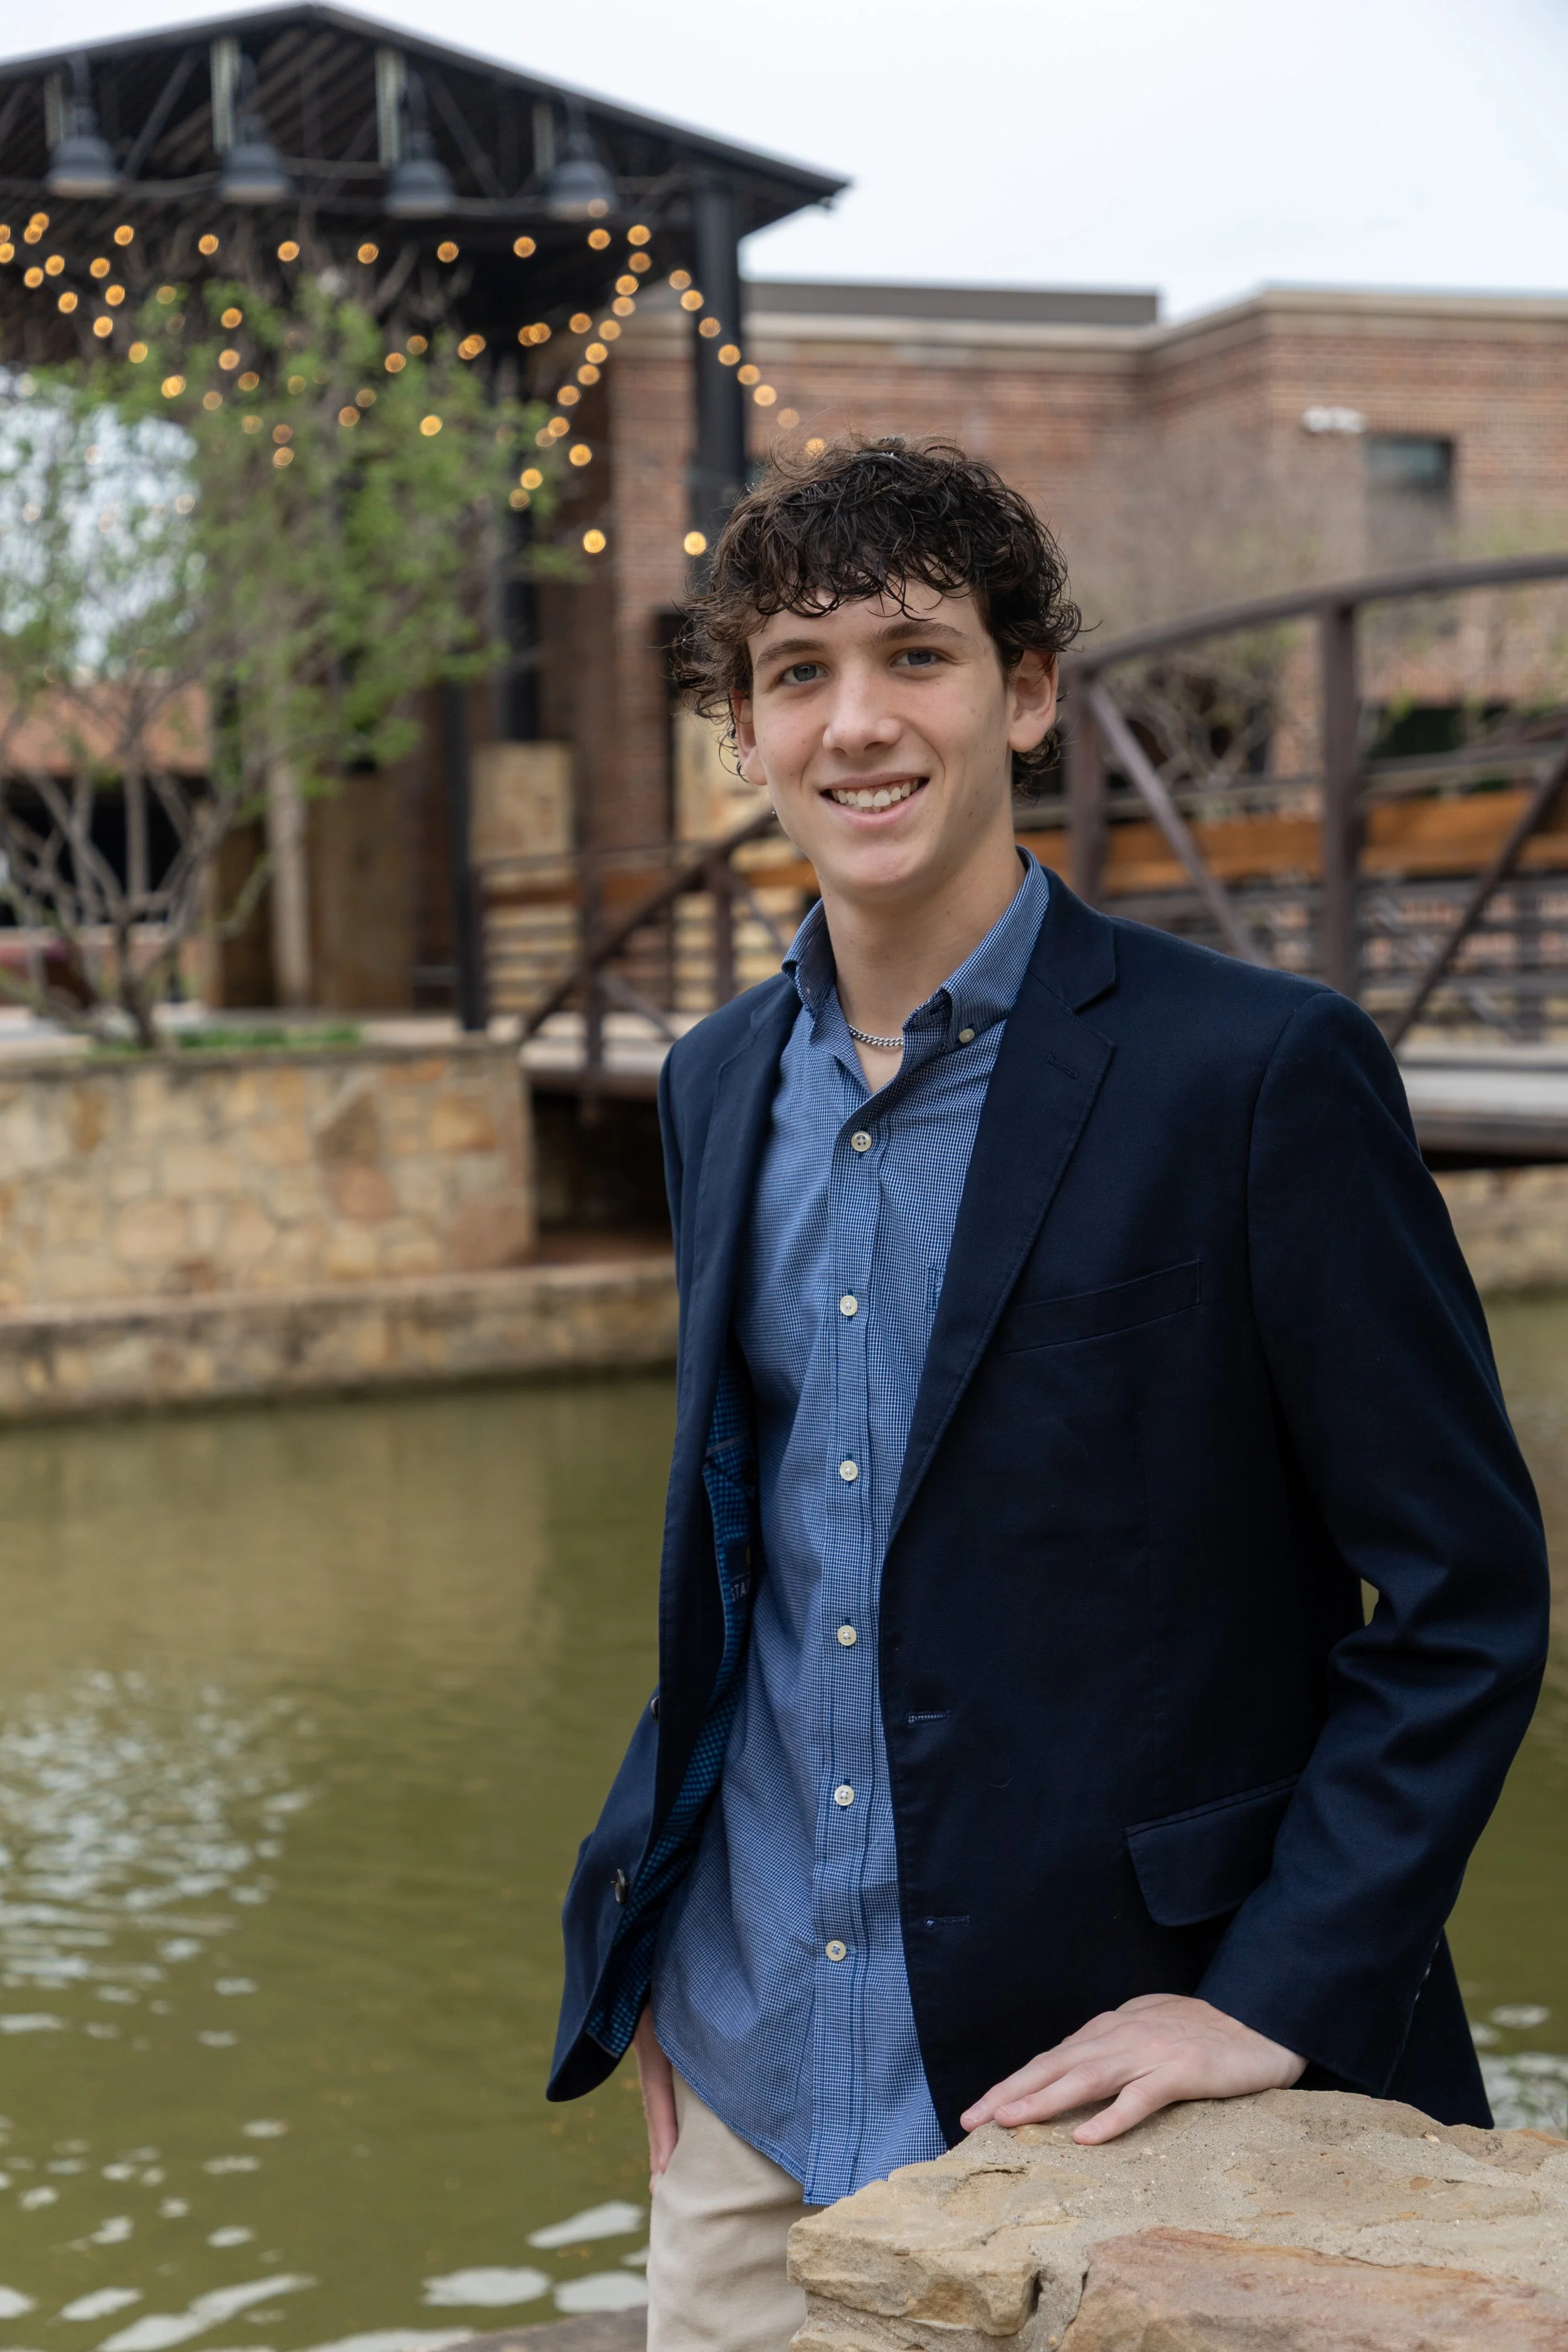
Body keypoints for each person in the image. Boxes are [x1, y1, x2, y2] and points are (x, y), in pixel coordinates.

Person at [548, 436, 1549, 2351]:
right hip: (753, 2071)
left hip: (1115, 2081)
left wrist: (1265, 1992)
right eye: (794, 673)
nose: (855, 722)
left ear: (1022, 692)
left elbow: (1457, 1602)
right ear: (743, 733)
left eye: (913, 655)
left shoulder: (1256, 1076)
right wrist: (647, 1931)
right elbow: (760, 1556)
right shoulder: (709, 1083)